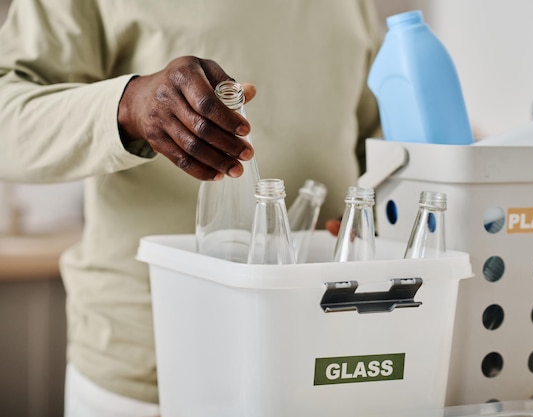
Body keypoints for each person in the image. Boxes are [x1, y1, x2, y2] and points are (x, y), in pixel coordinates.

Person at [0, 0, 382, 415]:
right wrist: (128, 106)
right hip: (154, 370)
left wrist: (378, 209)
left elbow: (373, 138)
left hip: (322, 360)